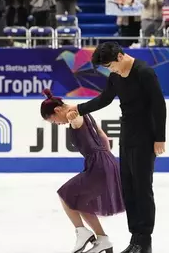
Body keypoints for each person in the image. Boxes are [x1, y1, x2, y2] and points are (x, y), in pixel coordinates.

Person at [66, 42, 166, 253]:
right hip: (127, 134)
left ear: (120, 57)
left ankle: (145, 242)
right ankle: (135, 239)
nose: (109, 70)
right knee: (128, 188)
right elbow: (105, 98)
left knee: (142, 188)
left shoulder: (144, 72)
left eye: (110, 65)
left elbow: (159, 105)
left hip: (146, 136)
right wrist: (79, 109)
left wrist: (160, 138)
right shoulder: (116, 76)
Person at [40, 89, 124, 253]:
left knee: (65, 194)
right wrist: (106, 159)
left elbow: (74, 118)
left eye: (55, 122)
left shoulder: (74, 115)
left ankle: (82, 232)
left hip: (99, 164)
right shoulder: (84, 112)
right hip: (107, 161)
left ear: (57, 111)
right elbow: (104, 137)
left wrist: (72, 117)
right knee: (81, 202)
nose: (59, 124)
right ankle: (102, 239)